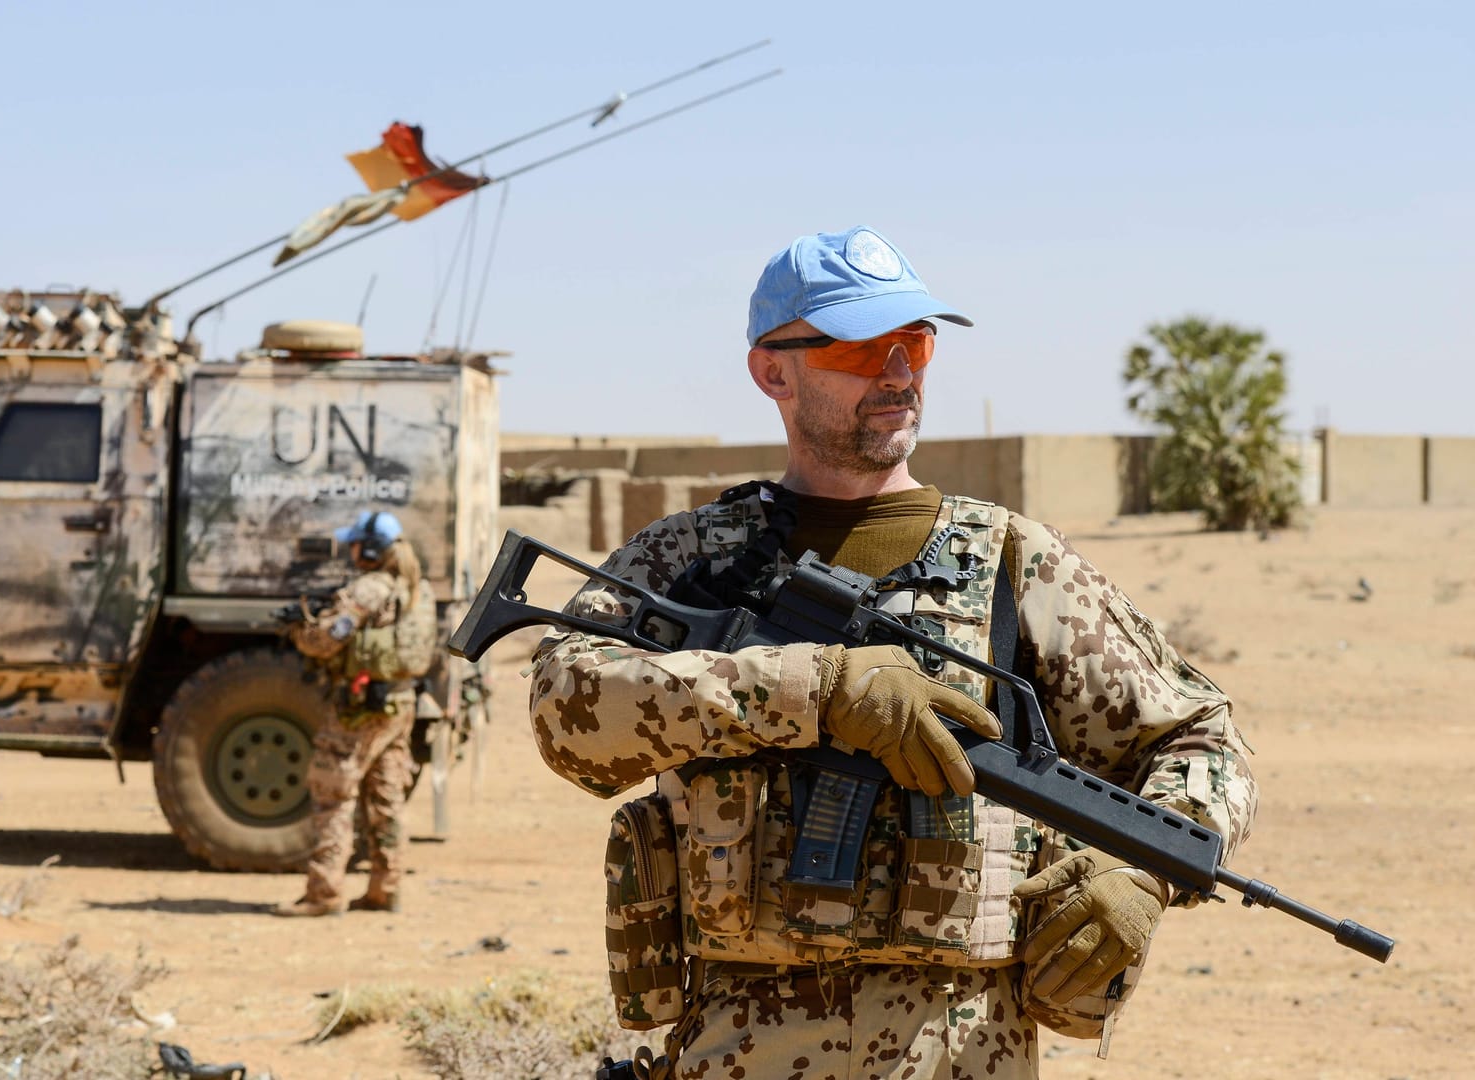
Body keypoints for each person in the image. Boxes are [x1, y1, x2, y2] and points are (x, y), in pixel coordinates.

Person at [528, 227, 1257, 1077]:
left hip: (962, 1048)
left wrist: (1145, 866)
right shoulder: (693, 559)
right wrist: (813, 688)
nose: (899, 373)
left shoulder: (1015, 563)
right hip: (736, 1045)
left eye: (914, 343)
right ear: (773, 370)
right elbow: (565, 708)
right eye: (862, 347)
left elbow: (1205, 737)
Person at [275, 510, 439, 917]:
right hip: (400, 704)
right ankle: (386, 888)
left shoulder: (367, 590)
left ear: (369, 550)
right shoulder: (419, 589)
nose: (349, 550)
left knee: (333, 792)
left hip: (360, 708)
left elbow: (326, 639)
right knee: (386, 797)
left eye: (354, 543)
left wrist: (300, 630)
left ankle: (323, 893)